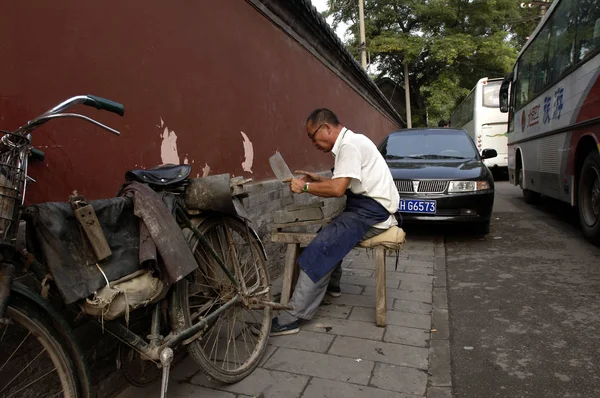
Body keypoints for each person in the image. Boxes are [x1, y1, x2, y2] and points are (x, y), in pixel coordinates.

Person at [270, 108, 400, 336]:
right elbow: (346, 181)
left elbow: (338, 189)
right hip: (368, 206)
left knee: (322, 246)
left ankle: (293, 316)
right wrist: (319, 179)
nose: (313, 143)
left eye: (312, 136)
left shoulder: (349, 146)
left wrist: (306, 187)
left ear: (327, 128)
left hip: (373, 212)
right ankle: (332, 286)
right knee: (327, 231)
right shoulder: (352, 141)